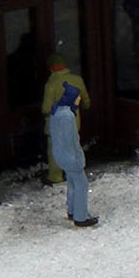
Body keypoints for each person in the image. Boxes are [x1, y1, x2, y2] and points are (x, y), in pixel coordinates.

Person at [49, 83, 97, 227]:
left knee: (71, 182)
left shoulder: (56, 112)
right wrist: (79, 158)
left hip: (59, 154)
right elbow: (72, 141)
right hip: (70, 156)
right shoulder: (68, 116)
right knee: (81, 184)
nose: (79, 101)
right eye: (77, 98)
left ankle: (72, 210)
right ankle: (81, 216)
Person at [39, 54, 90, 184]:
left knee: (55, 150)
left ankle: (55, 176)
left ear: (51, 68)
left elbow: (46, 108)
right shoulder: (77, 80)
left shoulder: (51, 84)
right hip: (73, 121)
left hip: (56, 124)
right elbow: (86, 101)